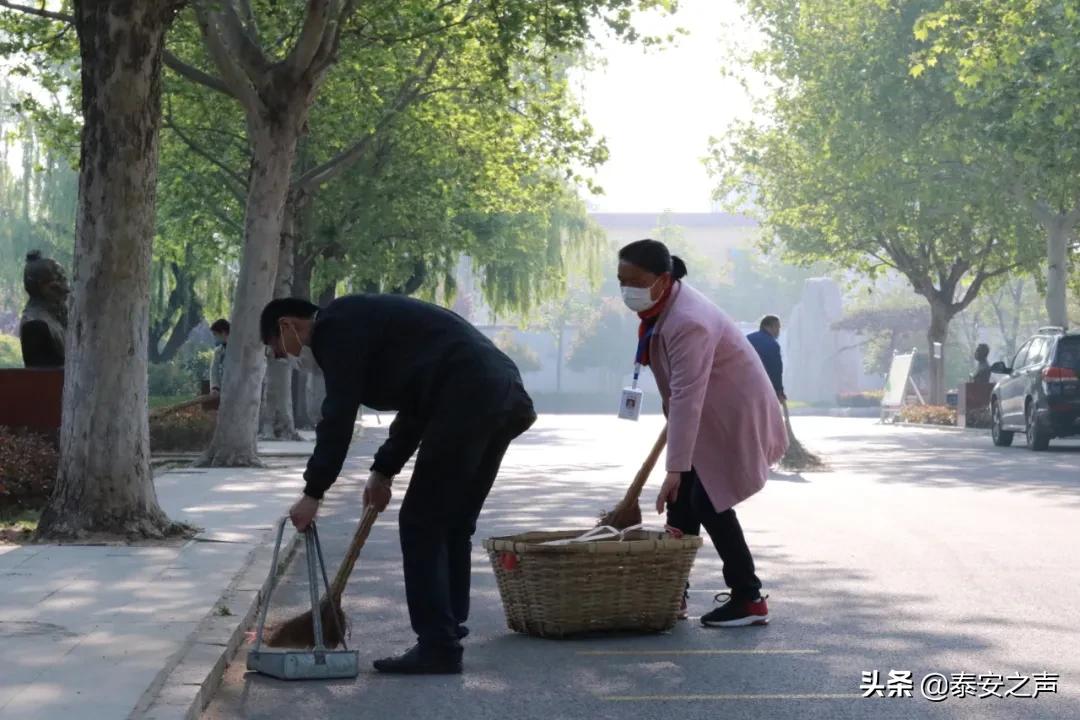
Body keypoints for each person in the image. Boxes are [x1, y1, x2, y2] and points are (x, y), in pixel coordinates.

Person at [261, 295, 536, 674]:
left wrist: (313, 492)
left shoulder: (334, 330)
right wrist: (383, 470)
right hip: (501, 392)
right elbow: (417, 404)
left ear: (286, 326)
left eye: (275, 349)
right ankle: (448, 625)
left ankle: (438, 645)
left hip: (467, 395)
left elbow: (338, 417)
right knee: (452, 520)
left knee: (421, 522)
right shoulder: (362, 322)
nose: (281, 358)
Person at [617, 239, 787, 627]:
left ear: (662, 280)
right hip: (705, 412)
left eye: (635, 280)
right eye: (620, 280)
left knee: (708, 499)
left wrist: (674, 467)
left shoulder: (687, 321)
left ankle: (748, 598)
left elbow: (688, 398)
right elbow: (681, 395)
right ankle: (673, 593)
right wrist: (678, 466)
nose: (627, 289)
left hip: (732, 413)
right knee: (683, 501)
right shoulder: (662, 310)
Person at [746, 315, 785, 401]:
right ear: (769, 327)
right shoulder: (772, 345)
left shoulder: (747, 339)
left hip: (745, 385)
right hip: (762, 387)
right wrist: (779, 391)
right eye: (777, 327)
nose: (778, 331)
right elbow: (776, 370)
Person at [208, 319, 230, 396]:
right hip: (224, 390)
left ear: (223, 333)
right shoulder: (218, 351)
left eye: (215, 334)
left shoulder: (239, 349)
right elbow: (214, 370)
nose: (215, 338)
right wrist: (215, 388)